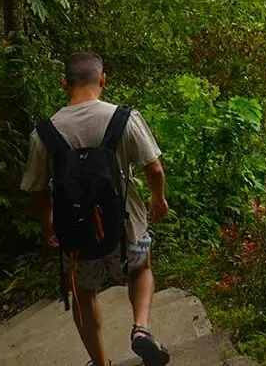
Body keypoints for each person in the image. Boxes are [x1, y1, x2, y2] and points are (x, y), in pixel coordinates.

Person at [21, 52, 171, 366]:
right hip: (125, 228)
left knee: (84, 292)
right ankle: (141, 328)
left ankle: (101, 362)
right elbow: (154, 169)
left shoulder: (44, 133)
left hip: (76, 235)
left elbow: (36, 191)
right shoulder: (124, 118)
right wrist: (158, 199)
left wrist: (49, 227)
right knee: (141, 269)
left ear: (64, 83)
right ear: (102, 79)